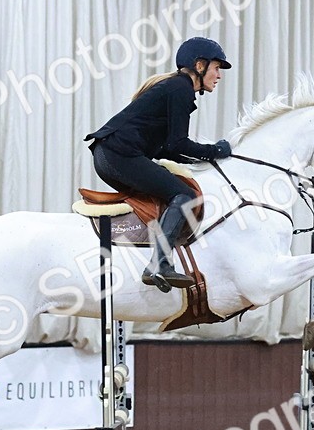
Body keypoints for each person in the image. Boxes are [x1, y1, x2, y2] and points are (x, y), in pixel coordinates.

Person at [84, 37, 234, 293]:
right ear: (200, 65)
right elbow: (179, 143)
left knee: (171, 185)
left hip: (109, 156)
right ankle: (159, 264)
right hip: (118, 155)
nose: (219, 75)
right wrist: (216, 150)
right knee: (185, 195)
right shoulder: (180, 89)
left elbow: (169, 149)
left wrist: (204, 160)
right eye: (216, 68)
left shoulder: (176, 88)